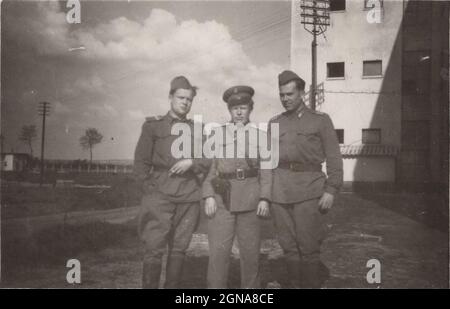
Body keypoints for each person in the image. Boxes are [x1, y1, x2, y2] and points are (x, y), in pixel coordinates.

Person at [268, 70, 343, 288]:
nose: (285, 99)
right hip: (280, 192)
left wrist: (331, 190)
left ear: (301, 93)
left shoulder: (320, 121)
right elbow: (267, 161)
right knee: (288, 246)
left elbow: (334, 158)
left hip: (309, 190)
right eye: (282, 95)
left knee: (308, 246)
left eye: (290, 94)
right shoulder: (275, 123)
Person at [134, 76, 210, 289]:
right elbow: (140, 163)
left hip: (188, 196)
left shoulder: (197, 129)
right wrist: (151, 192)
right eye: (180, 97)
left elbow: (207, 158)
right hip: (159, 196)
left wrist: (191, 162)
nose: (185, 102)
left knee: (179, 249)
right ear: (170, 97)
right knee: (154, 249)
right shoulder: (153, 127)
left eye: (189, 99)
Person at [202, 85, 271, 288]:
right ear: (229, 111)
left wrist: (265, 198)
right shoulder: (216, 135)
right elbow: (209, 170)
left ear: (251, 108)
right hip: (222, 201)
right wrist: (208, 196)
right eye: (235, 108)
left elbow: (267, 171)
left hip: (250, 201)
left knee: (250, 256)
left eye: (243, 107)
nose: (239, 112)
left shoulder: (261, 136)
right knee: (218, 254)